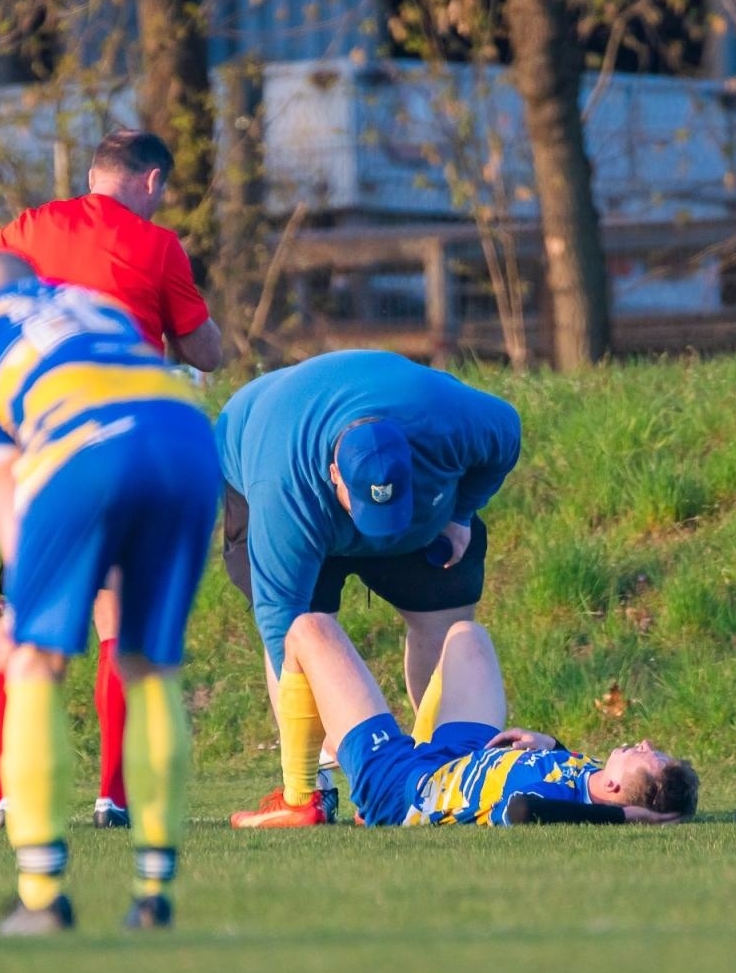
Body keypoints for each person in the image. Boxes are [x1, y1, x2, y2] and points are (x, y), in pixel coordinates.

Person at [0, 129, 221, 832]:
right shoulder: (157, 246)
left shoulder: (28, 228)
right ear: (152, 181)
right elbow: (206, 347)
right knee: (119, 626)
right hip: (143, 440)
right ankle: (115, 796)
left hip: (43, 442)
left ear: (93, 173)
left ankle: (10, 792)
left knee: (26, 622)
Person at [218, 349, 522, 828]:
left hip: (419, 491)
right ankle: (305, 794)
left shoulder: (448, 421)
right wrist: (348, 745)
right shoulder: (281, 491)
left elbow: (508, 433)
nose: (376, 533)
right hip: (274, 454)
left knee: (447, 622)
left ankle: (438, 778)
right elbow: (282, 629)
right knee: (301, 630)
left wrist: (462, 512)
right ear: (337, 477)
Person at [287, 618, 697, 827]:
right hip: (469, 754)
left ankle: (300, 797)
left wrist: (625, 818)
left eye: (650, 756)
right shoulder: (596, 775)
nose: (644, 742)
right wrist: (549, 743)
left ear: (614, 789)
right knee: (467, 635)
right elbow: (563, 765)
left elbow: (522, 811)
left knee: (309, 629)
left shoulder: (560, 801)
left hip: (406, 788)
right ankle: (383, 741)